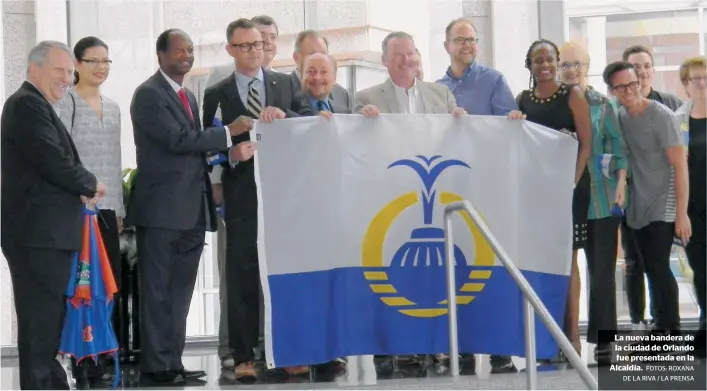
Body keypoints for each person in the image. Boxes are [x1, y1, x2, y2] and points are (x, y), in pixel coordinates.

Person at [128, 28, 254, 387]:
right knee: (157, 293)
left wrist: (227, 153)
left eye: (190, 50)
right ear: (161, 55)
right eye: (179, 51)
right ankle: (156, 366)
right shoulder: (149, 94)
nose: (186, 56)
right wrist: (228, 132)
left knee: (180, 294)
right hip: (162, 213)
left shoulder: (185, 95)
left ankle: (173, 361)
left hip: (190, 211)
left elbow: (195, 152)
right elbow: (178, 141)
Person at [201, 18, 312, 381]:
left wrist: (285, 115)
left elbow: (307, 121)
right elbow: (208, 144)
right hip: (241, 196)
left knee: (283, 275)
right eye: (245, 45)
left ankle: (288, 351)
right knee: (242, 275)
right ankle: (244, 354)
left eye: (259, 45)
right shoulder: (216, 92)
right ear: (230, 49)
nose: (254, 51)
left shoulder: (285, 83)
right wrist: (233, 155)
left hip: (284, 197)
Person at [1, 40, 105, 390]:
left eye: (69, 71)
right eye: (59, 70)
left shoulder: (37, 105)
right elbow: (52, 161)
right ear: (34, 69)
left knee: (48, 320)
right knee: (40, 320)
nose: (67, 77)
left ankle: (51, 382)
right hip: (37, 235)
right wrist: (91, 183)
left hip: (46, 234)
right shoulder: (26, 105)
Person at [53, 36, 124, 387]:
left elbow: (116, 160)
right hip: (80, 210)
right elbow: (62, 158)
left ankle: (102, 355)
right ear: (77, 65)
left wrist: (120, 207)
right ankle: (80, 359)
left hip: (109, 210)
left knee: (105, 289)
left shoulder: (113, 106)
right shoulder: (64, 103)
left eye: (106, 61)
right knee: (81, 286)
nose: (101, 67)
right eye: (93, 60)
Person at [516, 39, 592, 358]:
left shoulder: (572, 95)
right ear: (530, 65)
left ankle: (571, 337)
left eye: (549, 59)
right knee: (542, 261)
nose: (544, 65)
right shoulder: (523, 99)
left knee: (569, 261)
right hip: (538, 193)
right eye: (538, 60)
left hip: (570, 191)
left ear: (557, 62)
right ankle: (546, 337)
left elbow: (586, 144)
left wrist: (570, 184)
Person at [603, 60, 690, 334]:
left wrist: (681, 213)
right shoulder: (621, 117)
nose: (629, 90)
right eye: (621, 87)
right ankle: (659, 327)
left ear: (640, 82)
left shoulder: (661, 115)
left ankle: (669, 330)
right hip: (637, 205)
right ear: (613, 90)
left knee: (659, 266)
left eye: (632, 83)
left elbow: (680, 165)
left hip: (663, 203)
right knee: (649, 269)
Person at [558, 41, 627, 361]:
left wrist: (612, 172)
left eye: (576, 64)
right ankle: (563, 337)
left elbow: (620, 149)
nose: (570, 70)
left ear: (587, 69)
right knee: (563, 271)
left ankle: (603, 342)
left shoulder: (603, 104)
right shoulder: (552, 104)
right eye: (564, 64)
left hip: (600, 198)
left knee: (601, 272)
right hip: (563, 201)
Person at [355, 31, 465, 118]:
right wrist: (363, 118)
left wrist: (461, 119)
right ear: (384, 60)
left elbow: (457, 133)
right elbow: (354, 136)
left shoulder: (442, 94)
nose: (406, 59)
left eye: (410, 53)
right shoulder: (366, 99)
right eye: (398, 55)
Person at [675, 56, 706, 355]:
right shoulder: (678, 120)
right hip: (693, 211)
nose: (701, 83)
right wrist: (680, 212)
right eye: (694, 78)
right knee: (701, 271)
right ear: (685, 85)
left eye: (705, 77)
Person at [437, 18, 520, 119]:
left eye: (471, 40)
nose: (467, 45)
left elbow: (509, 124)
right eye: (460, 40)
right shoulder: (437, 88)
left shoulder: (494, 80)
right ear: (447, 46)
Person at [205, 15, 280, 88]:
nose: (268, 41)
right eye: (262, 36)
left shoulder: (282, 81)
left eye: (273, 37)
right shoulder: (220, 74)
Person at [289, 30, 352, 111]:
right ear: (296, 57)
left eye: (323, 54)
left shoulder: (341, 93)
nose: (319, 58)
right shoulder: (282, 90)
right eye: (313, 54)